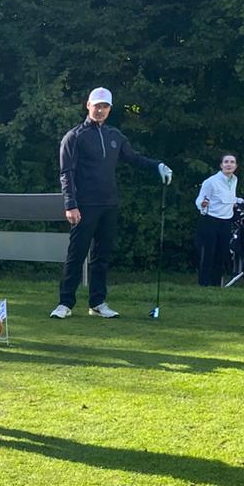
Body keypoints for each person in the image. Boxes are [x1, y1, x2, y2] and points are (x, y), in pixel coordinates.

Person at [50, 87, 172, 319]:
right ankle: (65, 303)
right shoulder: (74, 137)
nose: (100, 110)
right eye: (97, 106)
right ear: (88, 106)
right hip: (84, 205)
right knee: (76, 255)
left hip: (109, 204)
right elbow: (67, 173)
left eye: (105, 106)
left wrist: (157, 165)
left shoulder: (114, 136)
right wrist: (70, 204)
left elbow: (134, 158)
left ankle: (97, 303)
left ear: (109, 109)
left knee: (102, 257)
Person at [195, 154, 244, 286]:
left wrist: (241, 201)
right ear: (221, 165)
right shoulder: (211, 181)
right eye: (226, 162)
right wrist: (202, 204)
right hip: (210, 220)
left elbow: (230, 197)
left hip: (226, 221)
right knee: (208, 253)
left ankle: (216, 284)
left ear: (236, 166)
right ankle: (203, 283)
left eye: (232, 162)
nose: (229, 164)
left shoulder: (234, 180)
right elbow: (200, 199)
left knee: (222, 253)